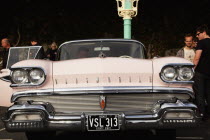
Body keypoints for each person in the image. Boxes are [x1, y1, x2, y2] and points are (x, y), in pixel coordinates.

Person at [193, 24, 210, 121]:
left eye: (198, 34)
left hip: (200, 72)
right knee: (209, 93)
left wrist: (192, 69)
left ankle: (202, 114)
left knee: (200, 93)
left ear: (204, 32)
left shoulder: (201, 42)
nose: (197, 36)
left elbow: (197, 58)